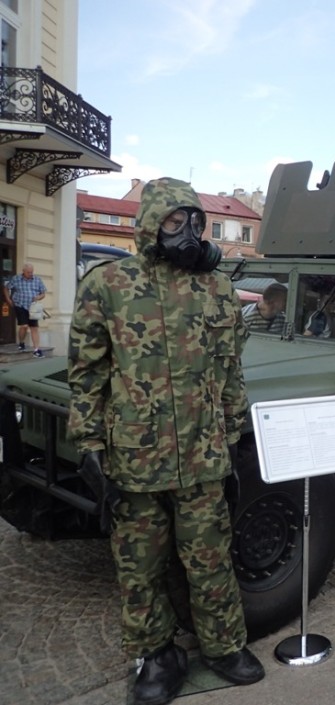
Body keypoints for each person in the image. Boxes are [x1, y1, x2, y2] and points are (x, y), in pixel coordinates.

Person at [66, 177, 264, 705]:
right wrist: (88, 443)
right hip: (135, 457)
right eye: (176, 221)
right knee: (139, 563)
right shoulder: (107, 285)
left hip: (203, 454)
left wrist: (234, 434)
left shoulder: (217, 289)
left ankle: (223, 647)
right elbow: (87, 373)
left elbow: (229, 372)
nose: (189, 232)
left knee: (210, 556)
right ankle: (156, 655)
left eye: (196, 221)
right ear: (151, 223)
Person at [3, 262, 47, 357]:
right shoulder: (16, 279)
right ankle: (22, 342)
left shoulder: (37, 280)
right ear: (23, 271)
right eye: (28, 272)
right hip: (20, 305)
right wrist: (8, 299)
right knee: (24, 326)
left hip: (33, 308)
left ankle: (36, 350)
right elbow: (6, 288)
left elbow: (43, 293)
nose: (30, 274)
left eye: (31, 272)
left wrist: (38, 297)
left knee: (34, 328)